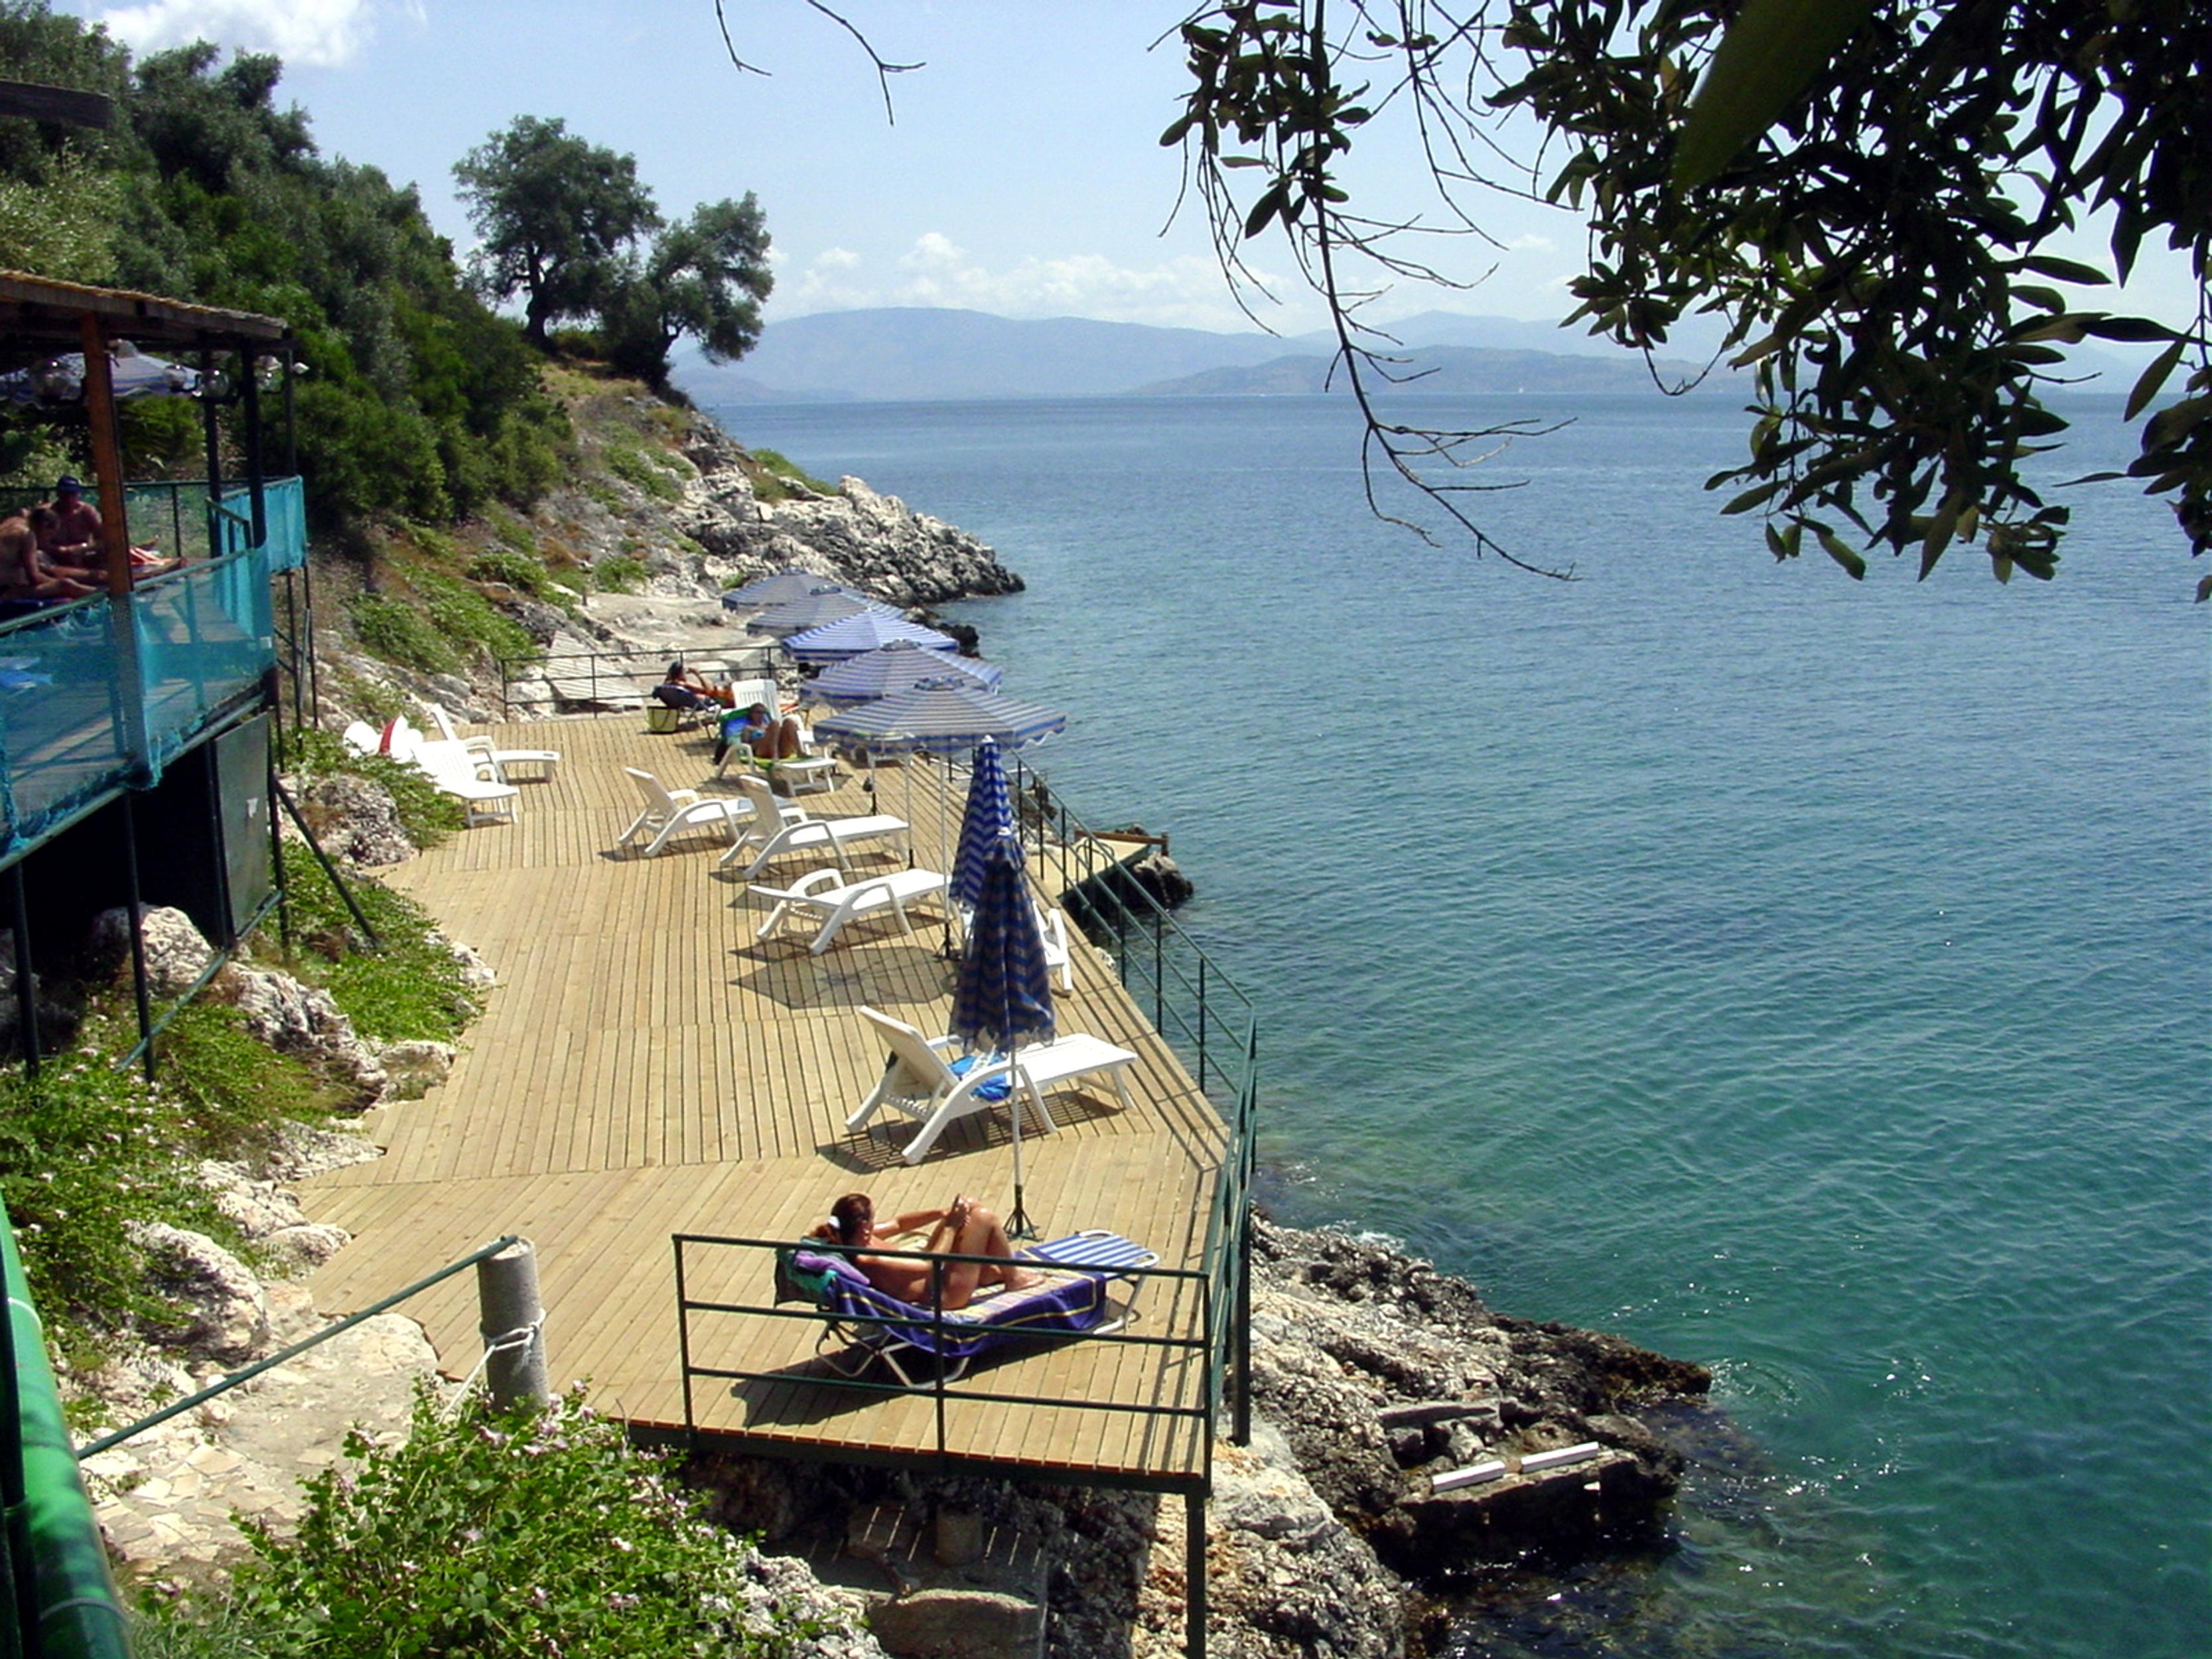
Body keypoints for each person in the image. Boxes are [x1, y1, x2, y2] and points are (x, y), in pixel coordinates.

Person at [811, 1191, 1040, 1310]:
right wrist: (950, 1226)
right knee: (984, 1218)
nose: (875, 1223)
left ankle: (990, 1273)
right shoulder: (869, 1259)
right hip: (942, 1294)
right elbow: (929, 1264)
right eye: (872, 1219)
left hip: (936, 1274)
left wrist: (941, 1214)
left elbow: (899, 1224)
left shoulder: (856, 1238)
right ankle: (1014, 1278)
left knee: (969, 1205)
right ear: (863, 1226)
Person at [0, 512, 96, 603]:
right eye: (49, 535)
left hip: (6, 586)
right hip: (5, 593)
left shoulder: (12, 523)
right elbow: (35, 577)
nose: (47, 539)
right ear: (44, 526)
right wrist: (60, 582)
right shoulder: (28, 534)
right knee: (65, 585)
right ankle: (102, 596)